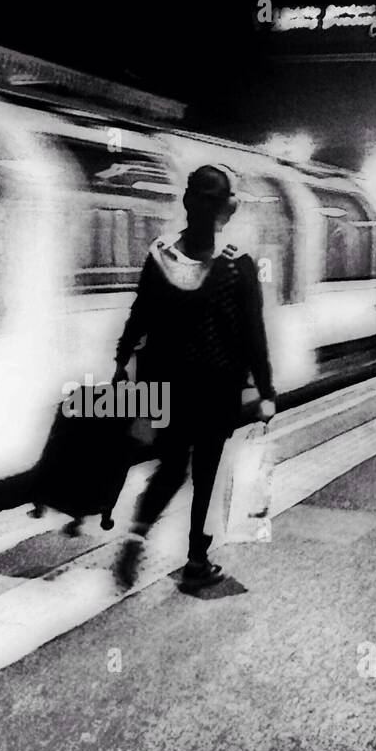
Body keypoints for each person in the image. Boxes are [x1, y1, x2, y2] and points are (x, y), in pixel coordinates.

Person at [113, 164, 277, 589]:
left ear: (187, 204)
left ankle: (136, 534)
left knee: (170, 467)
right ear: (228, 210)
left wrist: (121, 363)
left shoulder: (160, 254)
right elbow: (253, 333)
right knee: (207, 473)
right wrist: (266, 391)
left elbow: (139, 316)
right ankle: (196, 560)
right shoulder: (237, 263)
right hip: (216, 389)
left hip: (167, 386)